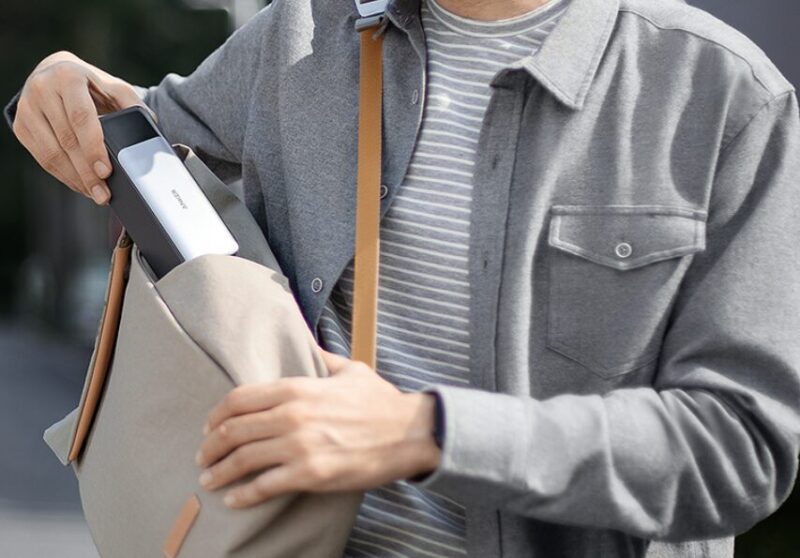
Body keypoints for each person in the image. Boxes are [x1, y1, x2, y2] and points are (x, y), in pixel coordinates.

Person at [6, 0, 800, 556]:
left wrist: (426, 433)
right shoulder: (304, 33)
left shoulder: (725, 97)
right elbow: (133, 130)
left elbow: (743, 445)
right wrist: (60, 88)